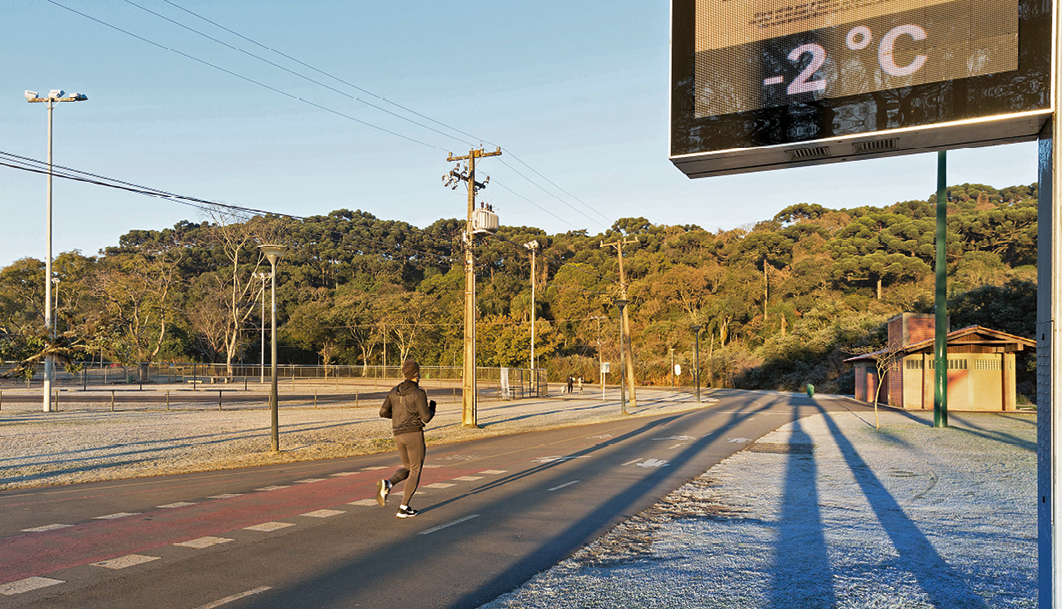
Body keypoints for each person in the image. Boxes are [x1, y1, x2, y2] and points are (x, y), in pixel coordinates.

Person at [377, 359, 436, 518]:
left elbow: (382, 412)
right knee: (416, 469)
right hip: (413, 433)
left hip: (398, 434)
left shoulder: (394, 391)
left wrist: (397, 417)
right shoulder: (418, 392)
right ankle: (403, 507)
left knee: (408, 467)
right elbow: (425, 418)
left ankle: (388, 483)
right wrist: (432, 409)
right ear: (416, 374)